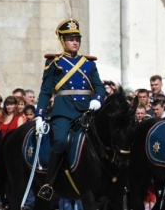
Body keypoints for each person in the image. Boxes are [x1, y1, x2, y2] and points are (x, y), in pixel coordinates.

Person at [35, 18, 106, 201]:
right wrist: (39, 116)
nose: (75, 42)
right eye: (70, 38)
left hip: (86, 112)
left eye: (77, 38)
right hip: (64, 112)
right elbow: (45, 92)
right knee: (60, 141)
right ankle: (49, 184)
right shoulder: (54, 63)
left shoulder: (88, 64)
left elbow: (99, 87)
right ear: (62, 40)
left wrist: (98, 99)